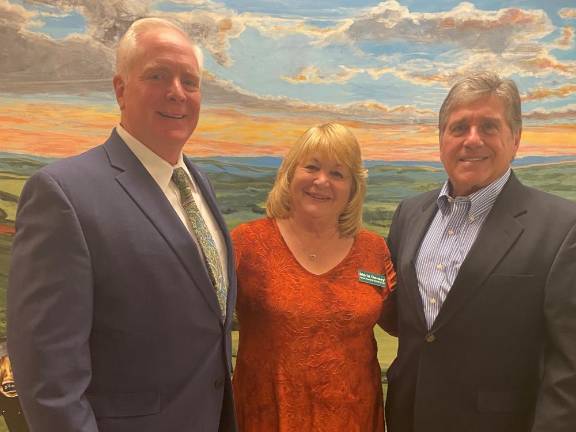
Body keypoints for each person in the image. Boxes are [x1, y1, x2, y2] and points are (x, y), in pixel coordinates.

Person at [7, 18, 237, 432]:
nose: (177, 92)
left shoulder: (197, 182)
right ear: (120, 89)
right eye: (157, 75)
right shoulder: (63, 195)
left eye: (191, 81)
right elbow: (48, 382)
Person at [384, 71, 576, 432]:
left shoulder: (563, 227)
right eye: (459, 128)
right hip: (406, 416)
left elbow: (570, 364)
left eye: (489, 127)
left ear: (515, 138)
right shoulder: (409, 213)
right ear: (441, 139)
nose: (472, 140)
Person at [231, 122, 396, 431]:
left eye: (337, 173)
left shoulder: (374, 250)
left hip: (354, 419)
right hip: (268, 418)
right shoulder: (247, 244)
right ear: (290, 173)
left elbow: (397, 316)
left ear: (353, 188)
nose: (322, 181)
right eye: (312, 167)